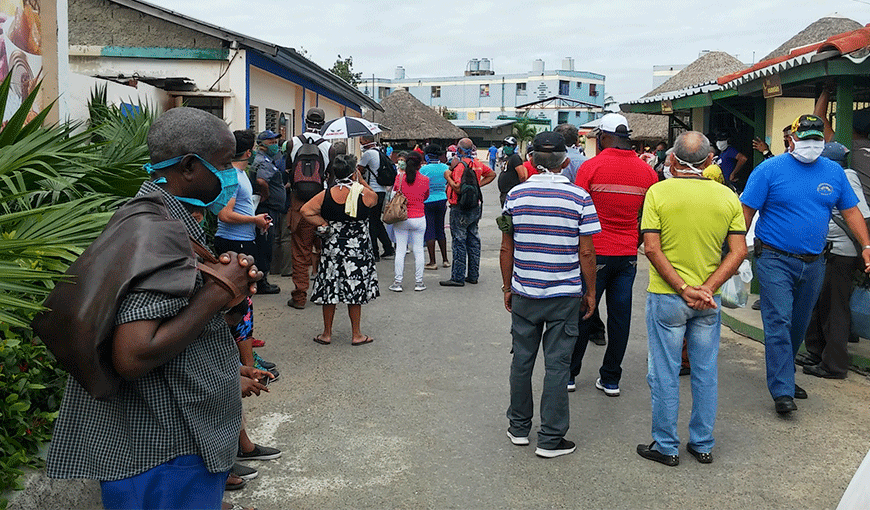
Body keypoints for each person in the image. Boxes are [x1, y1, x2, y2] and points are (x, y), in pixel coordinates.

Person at [40, 107, 262, 510]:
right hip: (165, 448)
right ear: (191, 167)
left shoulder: (152, 217)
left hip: (163, 443)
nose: (231, 176)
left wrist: (223, 346)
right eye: (225, 165)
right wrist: (217, 294)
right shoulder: (161, 232)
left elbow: (166, 315)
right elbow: (133, 352)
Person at [741, 114, 870, 414]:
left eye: (817, 139)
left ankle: (784, 374)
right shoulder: (769, 170)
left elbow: (851, 212)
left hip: (814, 263)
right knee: (779, 322)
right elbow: (746, 211)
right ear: (791, 139)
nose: (812, 145)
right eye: (806, 138)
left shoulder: (834, 173)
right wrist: (736, 250)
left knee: (798, 324)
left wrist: (866, 246)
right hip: (774, 259)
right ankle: (782, 389)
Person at [635, 131, 747, 467]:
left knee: (664, 373)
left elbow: (651, 248)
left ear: (671, 160)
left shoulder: (658, 192)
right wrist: (707, 288)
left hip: (667, 296)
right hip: (707, 302)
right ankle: (702, 443)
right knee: (704, 371)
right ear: (710, 161)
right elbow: (739, 251)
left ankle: (666, 445)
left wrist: (684, 288)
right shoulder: (727, 197)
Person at [500, 131, 600, 458]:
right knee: (558, 365)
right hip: (564, 294)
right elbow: (586, 253)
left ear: (530, 160)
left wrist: (507, 286)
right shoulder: (580, 198)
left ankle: (518, 427)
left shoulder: (514, 196)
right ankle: (551, 438)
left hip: (525, 292)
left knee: (522, 361)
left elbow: (506, 246)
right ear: (565, 161)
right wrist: (590, 291)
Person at [570, 113, 659, 397]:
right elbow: (649, 216)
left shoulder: (590, 167)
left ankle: (571, 374)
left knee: (585, 310)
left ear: (606, 137)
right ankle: (611, 379)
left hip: (594, 254)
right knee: (620, 317)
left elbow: (577, 213)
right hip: (627, 256)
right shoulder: (648, 173)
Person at [799, 142, 870, 379]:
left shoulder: (845, 178)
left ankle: (835, 364)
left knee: (834, 310)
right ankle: (817, 353)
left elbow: (862, 216)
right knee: (818, 306)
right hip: (824, 253)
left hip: (840, 254)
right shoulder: (833, 176)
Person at [302, 154, 380, 346]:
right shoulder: (363, 193)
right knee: (355, 289)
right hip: (358, 250)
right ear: (353, 172)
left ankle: (326, 333)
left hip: (333, 248)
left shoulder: (327, 194)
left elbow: (305, 210)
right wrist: (360, 180)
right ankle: (356, 334)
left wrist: (323, 223)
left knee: (330, 289)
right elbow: (375, 199)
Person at [215, 130, 272, 353]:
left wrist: (256, 221)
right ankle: (242, 351)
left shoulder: (239, 175)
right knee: (239, 300)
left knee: (245, 297)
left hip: (243, 240)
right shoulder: (233, 178)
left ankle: (245, 338)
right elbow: (224, 214)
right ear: (249, 152)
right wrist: (254, 219)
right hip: (234, 243)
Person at [286, 108, 333, 309]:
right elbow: (330, 177)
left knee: (300, 251)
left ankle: (299, 297)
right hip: (321, 203)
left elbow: (287, 171)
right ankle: (325, 291)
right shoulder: (329, 147)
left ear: (305, 121)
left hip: (298, 203)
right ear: (323, 123)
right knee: (325, 249)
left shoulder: (291, 143)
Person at [440, 138, 495, 287]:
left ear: (459, 150)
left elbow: (457, 188)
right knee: (473, 240)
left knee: (459, 241)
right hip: (475, 207)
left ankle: (457, 277)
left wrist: (448, 178)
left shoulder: (459, 166)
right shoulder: (477, 164)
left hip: (460, 207)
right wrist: (478, 186)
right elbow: (492, 175)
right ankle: (473, 275)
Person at [389, 152, 430, 292]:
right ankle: (419, 282)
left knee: (400, 250)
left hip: (402, 218)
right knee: (418, 250)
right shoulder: (425, 179)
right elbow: (425, 196)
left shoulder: (399, 178)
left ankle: (397, 282)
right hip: (419, 217)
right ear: (420, 164)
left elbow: (394, 194)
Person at [251, 129, 284, 294]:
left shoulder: (267, 160)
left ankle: (262, 279)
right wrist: (267, 194)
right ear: (261, 144)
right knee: (265, 245)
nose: (275, 145)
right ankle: (262, 281)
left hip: (271, 208)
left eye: (276, 142)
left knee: (266, 244)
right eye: (271, 142)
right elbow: (261, 181)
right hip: (267, 208)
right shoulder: (263, 161)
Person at [358, 135, 395, 262]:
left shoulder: (368, 154)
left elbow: (359, 171)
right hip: (382, 190)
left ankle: (374, 252)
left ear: (367, 141)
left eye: (361, 139)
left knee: (371, 222)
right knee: (376, 221)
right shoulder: (380, 152)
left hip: (372, 190)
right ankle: (388, 248)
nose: (360, 141)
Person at [421, 144, 450, 270]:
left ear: (427, 156)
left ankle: (432, 262)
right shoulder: (445, 167)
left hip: (428, 201)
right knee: (440, 229)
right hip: (442, 199)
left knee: (430, 230)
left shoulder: (424, 170)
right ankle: (445, 259)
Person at [497, 136, 525, 205]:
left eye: (508, 145)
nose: (506, 147)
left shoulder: (515, 158)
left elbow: (522, 176)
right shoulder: (506, 158)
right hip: (504, 192)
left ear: (514, 146)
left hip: (511, 192)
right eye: (505, 145)